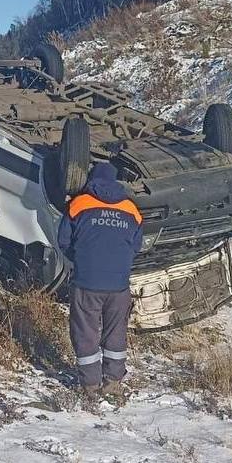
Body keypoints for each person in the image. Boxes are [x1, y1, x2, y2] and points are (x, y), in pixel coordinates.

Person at [58, 163, 143, 398]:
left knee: (86, 332)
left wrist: (84, 261)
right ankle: (113, 382)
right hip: (119, 286)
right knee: (116, 332)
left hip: (86, 282)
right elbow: (136, 246)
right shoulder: (131, 209)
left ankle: (90, 386)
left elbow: (64, 241)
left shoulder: (78, 204)